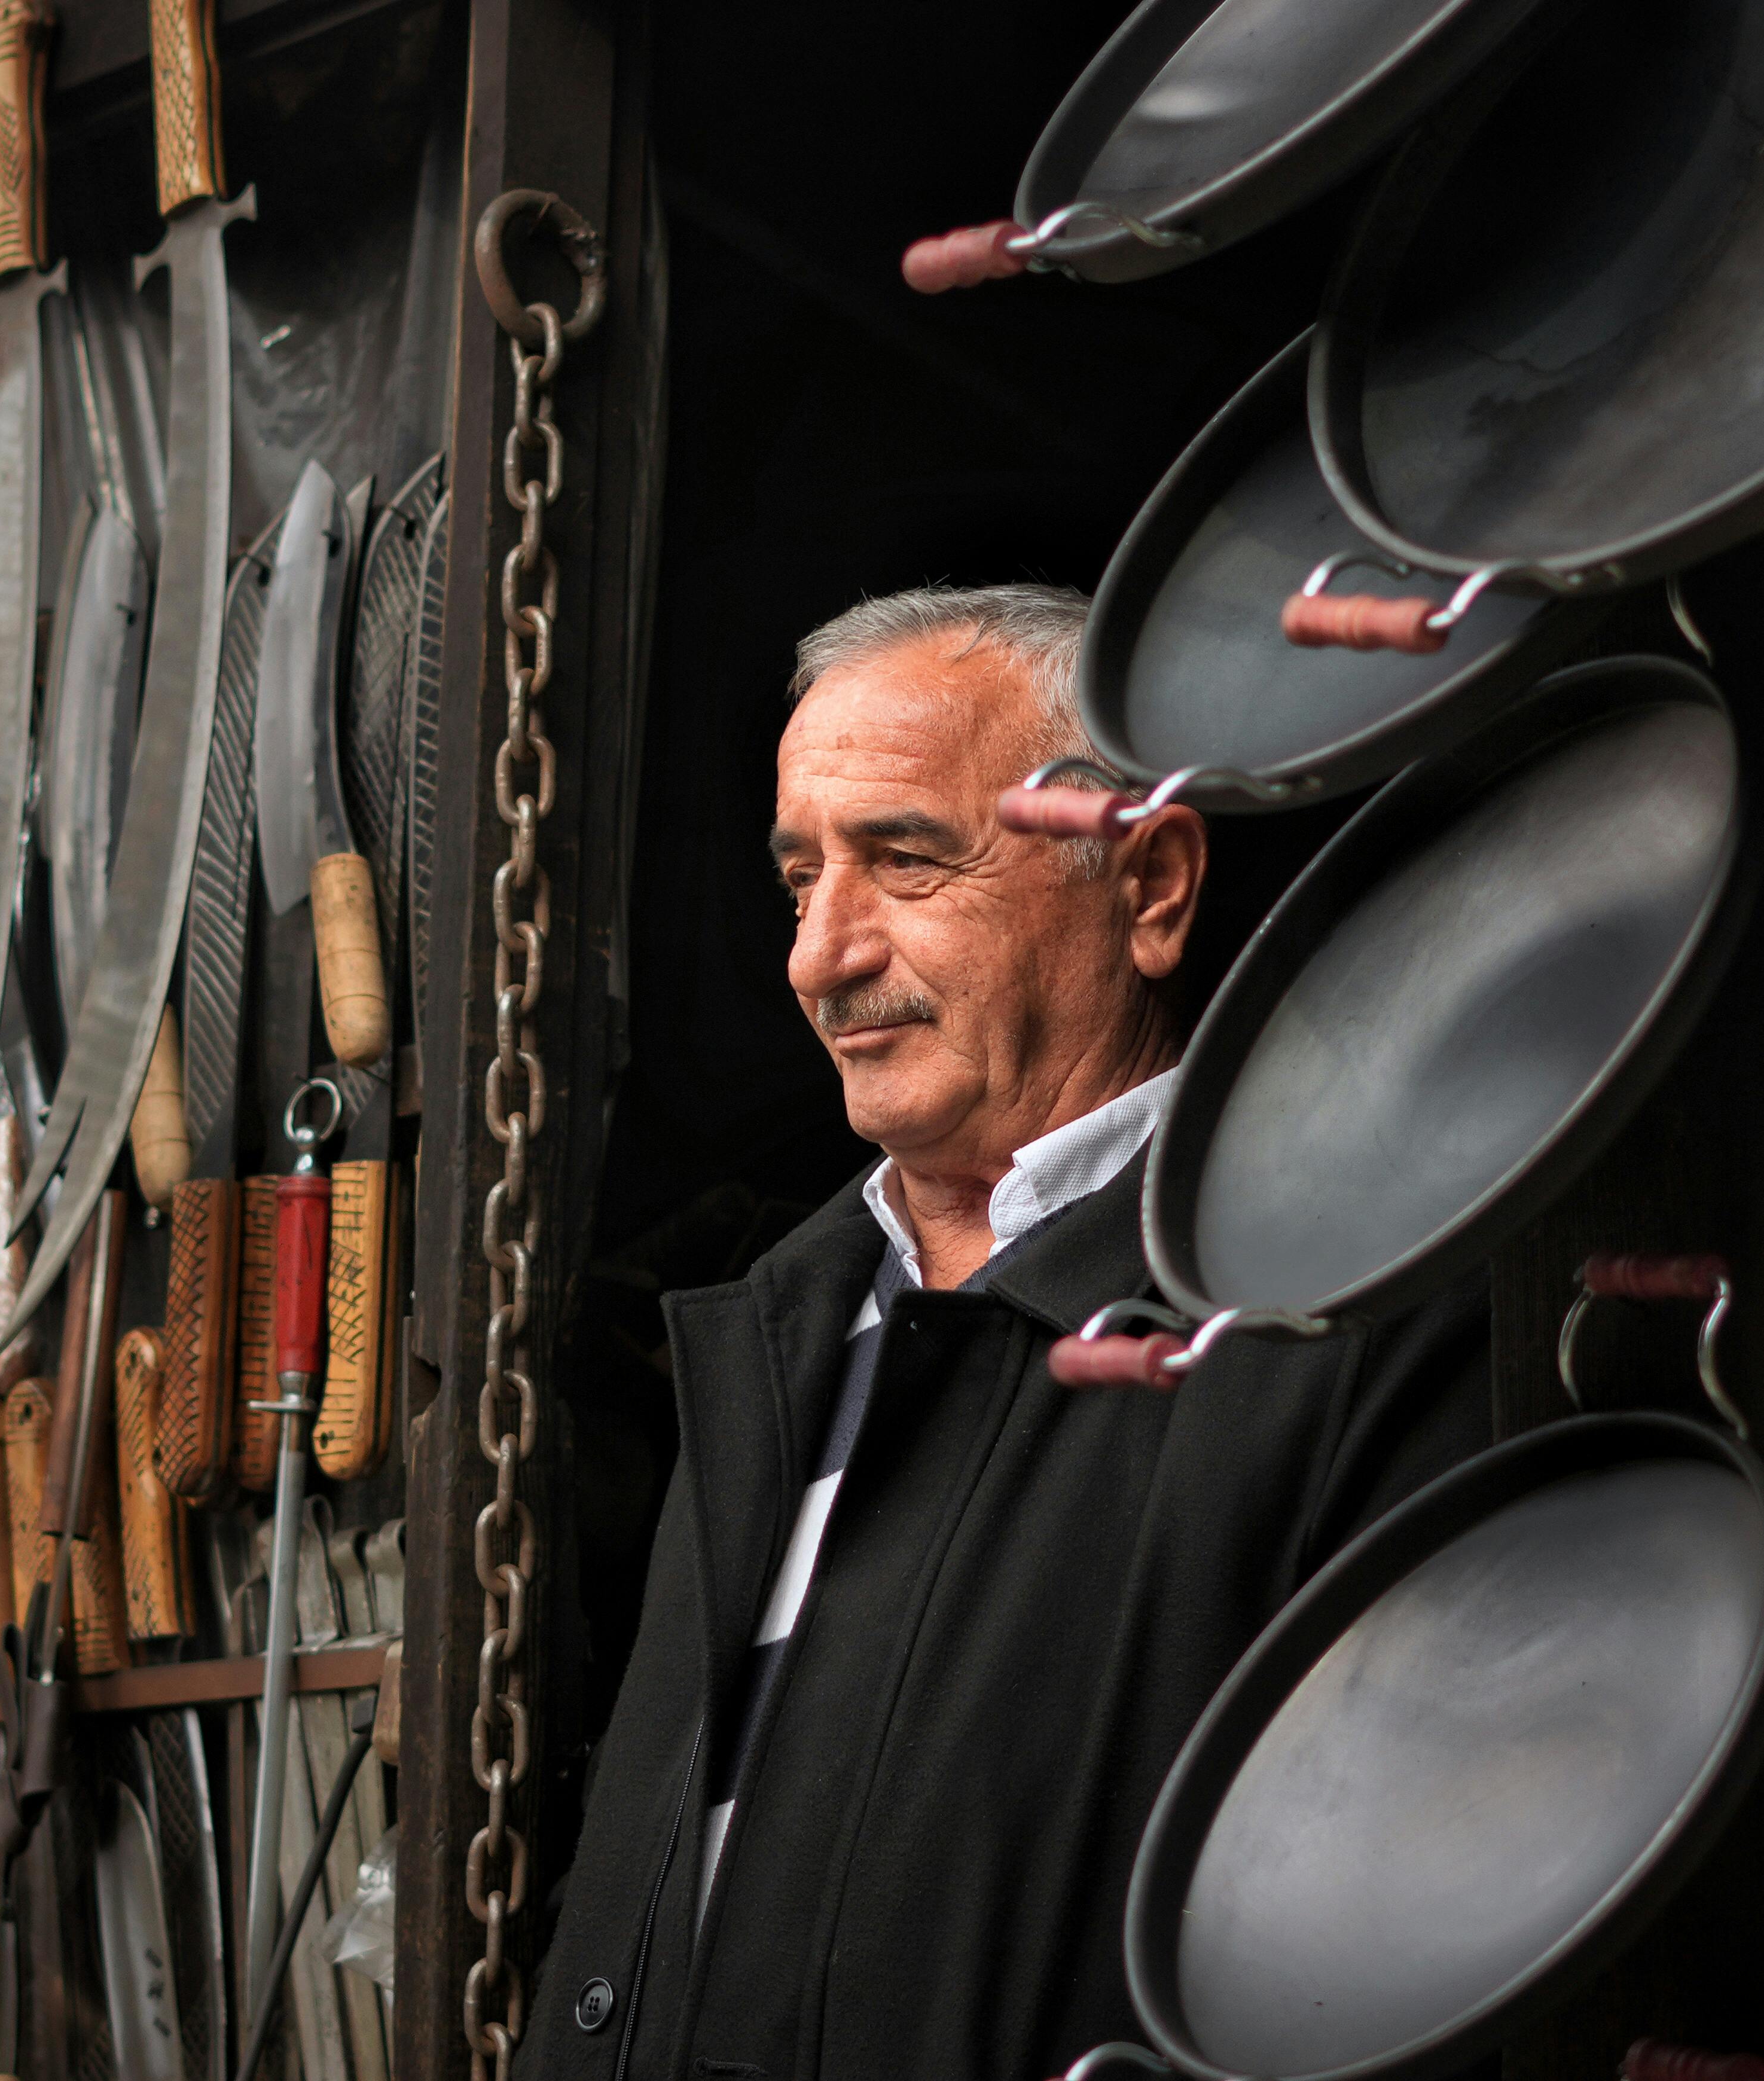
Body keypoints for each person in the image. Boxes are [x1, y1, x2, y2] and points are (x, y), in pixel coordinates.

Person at [529, 584, 1492, 2081]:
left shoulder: (1339, 1334)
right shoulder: (771, 1344)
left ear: (1149, 884)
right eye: (800, 880)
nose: (819, 956)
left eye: (908, 860)